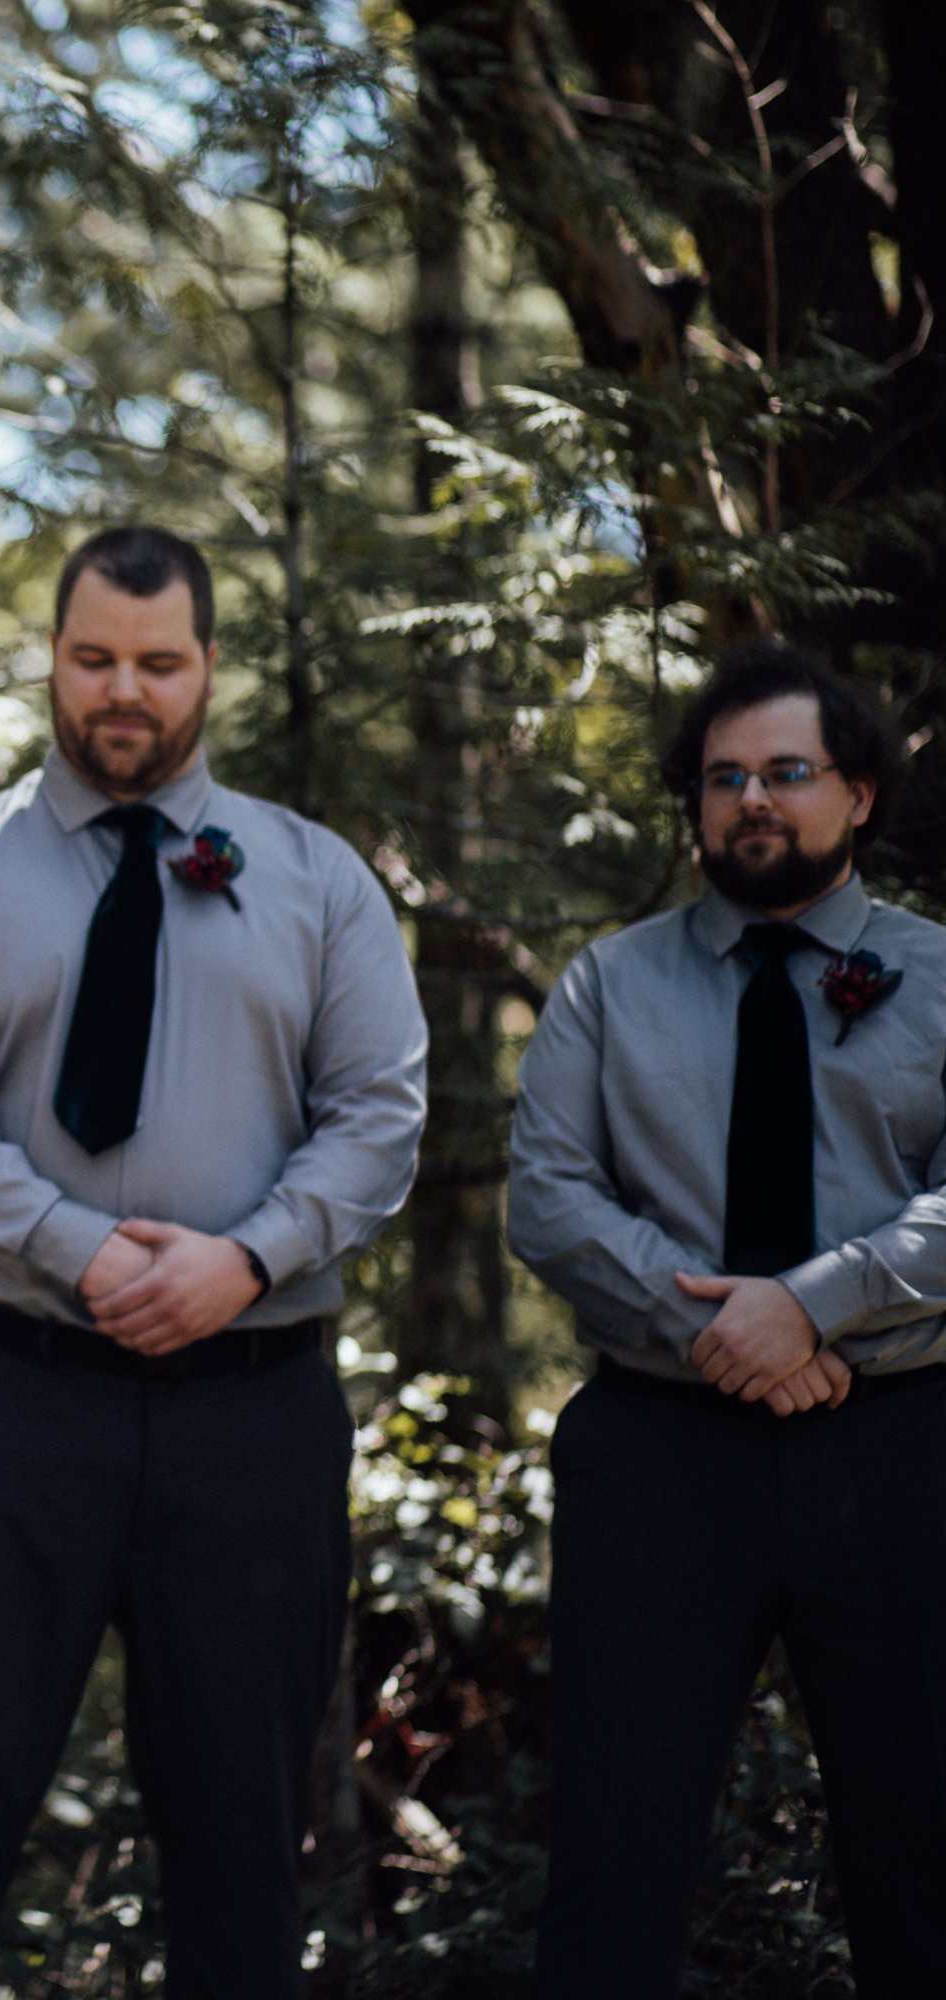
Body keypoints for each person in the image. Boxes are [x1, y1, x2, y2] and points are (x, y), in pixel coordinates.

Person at [0, 526, 427, 1997]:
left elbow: (380, 1113)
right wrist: (82, 1251)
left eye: (159, 664)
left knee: (241, 1854)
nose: (124, 691)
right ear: (52, 658)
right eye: (95, 658)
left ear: (208, 668)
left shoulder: (316, 878)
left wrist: (249, 1260)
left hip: (251, 1409)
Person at [508, 638, 946, 1997]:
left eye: (788, 771)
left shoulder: (942, 974)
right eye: (723, 777)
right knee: (613, 1861)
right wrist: (732, 1335)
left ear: (858, 793)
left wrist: (813, 1307)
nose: (753, 798)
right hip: (658, 1458)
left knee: (926, 1858)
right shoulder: (606, 985)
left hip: (902, 1450)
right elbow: (551, 1200)